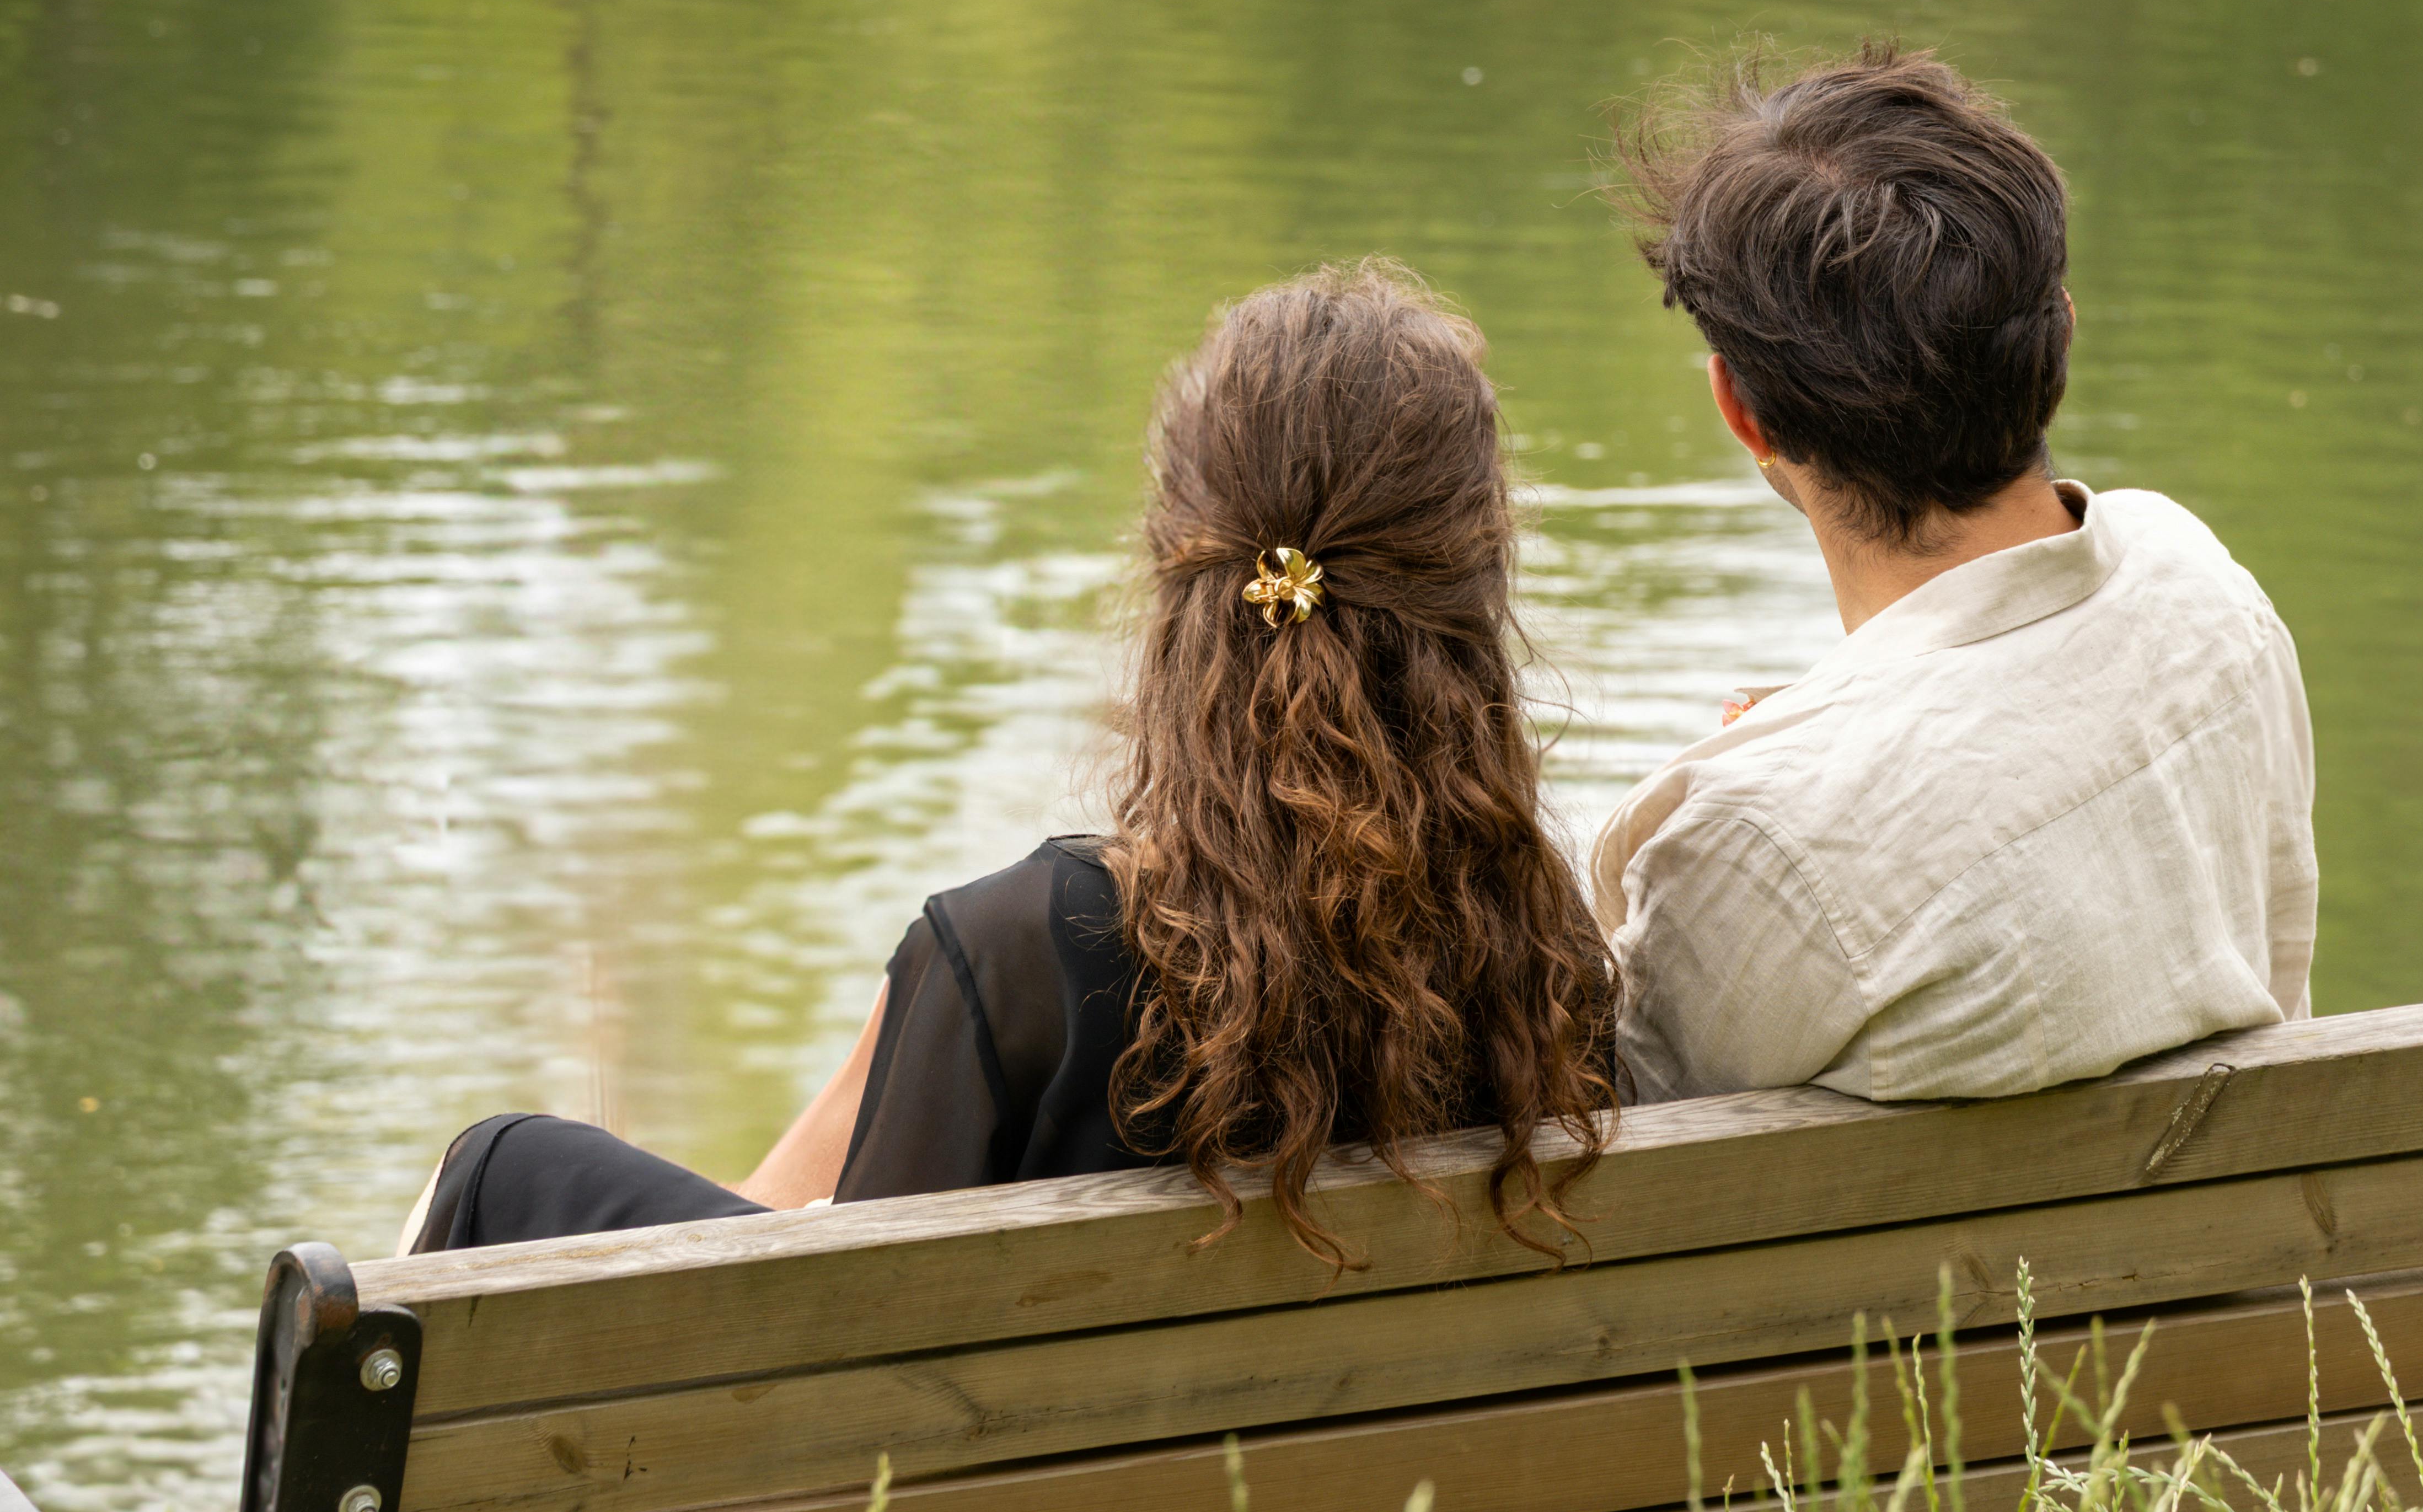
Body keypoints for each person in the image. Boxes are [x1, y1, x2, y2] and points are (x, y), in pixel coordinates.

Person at [404, 265, 1619, 1264]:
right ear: (1475, 591)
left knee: (505, 1167)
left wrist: (953, 989)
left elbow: (844, 1352)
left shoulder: (1025, 954)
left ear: (1169, 568)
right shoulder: (1540, 954)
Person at [1590, 45, 2315, 1108]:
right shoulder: (2206, 592)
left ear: (1741, 411)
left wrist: (1801, 771)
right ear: (2058, 336)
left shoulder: (1756, 850)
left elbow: (1616, 1151)